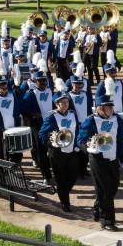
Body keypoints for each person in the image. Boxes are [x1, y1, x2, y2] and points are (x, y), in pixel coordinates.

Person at [77, 93, 123, 231]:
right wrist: (89, 148)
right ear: (99, 108)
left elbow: (121, 138)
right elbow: (80, 141)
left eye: (111, 106)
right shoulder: (91, 121)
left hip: (112, 159)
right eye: (107, 107)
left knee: (114, 187)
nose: (111, 109)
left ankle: (98, 206)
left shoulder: (117, 119)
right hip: (98, 159)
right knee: (104, 190)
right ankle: (107, 221)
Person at [40, 80, 78, 212]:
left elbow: (77, 130)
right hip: (57, 153)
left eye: (67, 102)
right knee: (61, 178)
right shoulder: (51, 117)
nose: (65, 104)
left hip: (72, 150)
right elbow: (42, 134)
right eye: (62, 102)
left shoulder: (73, 114)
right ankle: (65, 203)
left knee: (73, 176)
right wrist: (52, 142)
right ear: (57, 104)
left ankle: (63, 192)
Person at [0, 76, 24, 162]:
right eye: (1, 84)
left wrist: (18, 128)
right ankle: (2, 174)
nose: (4, 86)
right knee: (0, 156)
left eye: (5, 83)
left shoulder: (12, 96)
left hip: (12, 131)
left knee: (16, 155)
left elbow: (16, 113)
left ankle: (13, 172)